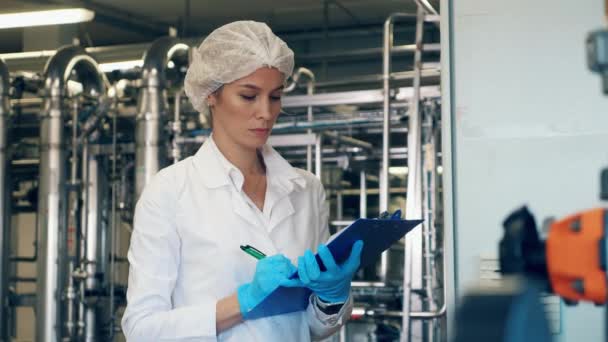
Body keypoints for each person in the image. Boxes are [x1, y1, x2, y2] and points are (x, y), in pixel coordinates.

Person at [121, 21, 363, 341]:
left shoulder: (306, 190)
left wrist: (331, 300)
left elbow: (311, 328)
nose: (265, 112)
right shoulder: (170, 192)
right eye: (248, 96)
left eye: (275, 97)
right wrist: (243, 303)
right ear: (211, 95)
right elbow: (142, 329)